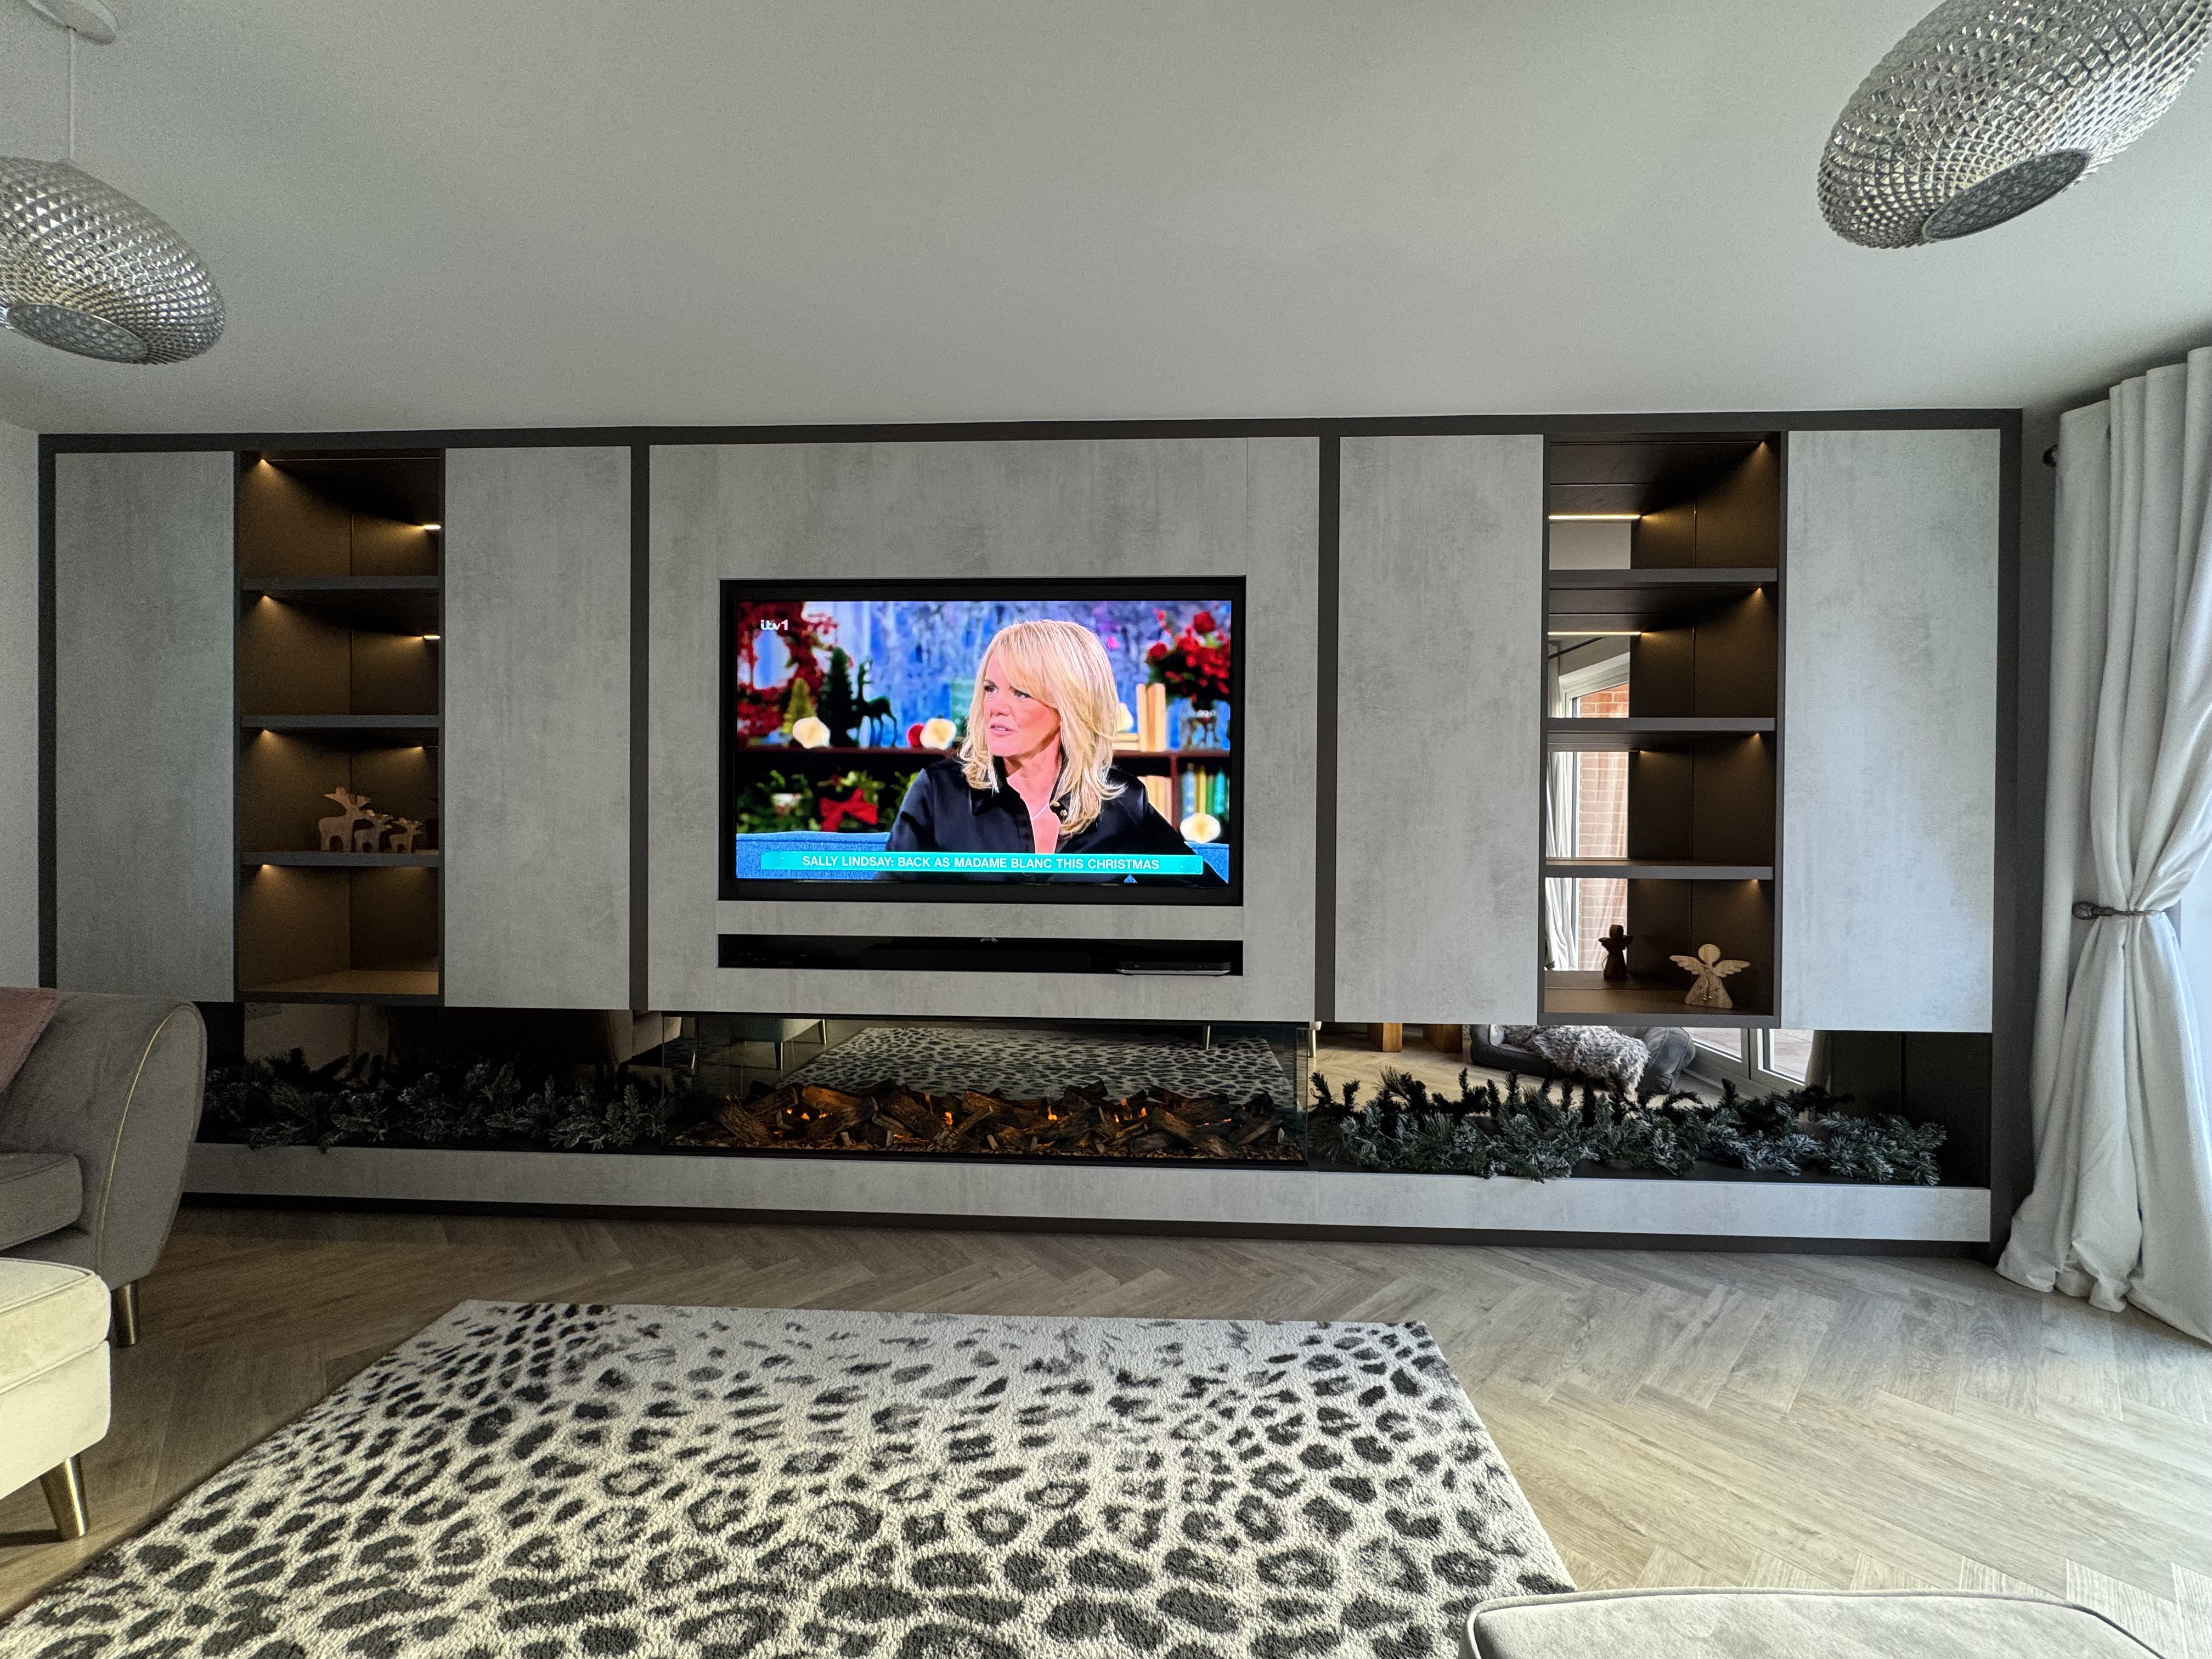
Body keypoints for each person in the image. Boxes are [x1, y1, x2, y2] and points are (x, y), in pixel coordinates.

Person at [881, 617, 1224, 883]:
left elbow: (1204, 903)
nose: (996, 707)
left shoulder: (1121, 803)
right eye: (990, 689)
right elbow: (889, 915)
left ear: (1069, 706)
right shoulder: (940, 793)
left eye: (1021, 693)